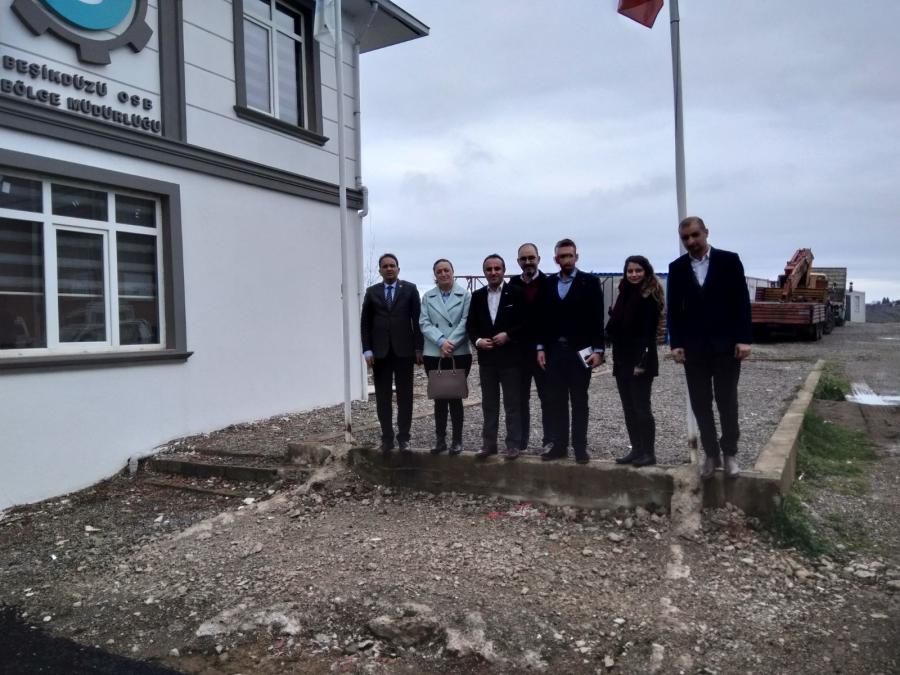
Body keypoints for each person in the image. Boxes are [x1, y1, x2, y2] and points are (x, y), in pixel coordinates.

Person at [667, 216, 752, 479]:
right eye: (685, 238)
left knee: (727, 401)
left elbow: (741, 301)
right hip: (694, 349)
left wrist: (744, 338)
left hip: (726, 346)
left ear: (706, 232)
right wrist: (676, 343)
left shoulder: (729, 261)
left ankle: (730, 454)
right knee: (701, 404)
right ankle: (711, 454)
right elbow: (674, 309)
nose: (691, 241)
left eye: (695, 235)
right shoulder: (677, 268)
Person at [536, 238, 605, 464]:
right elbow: (542, 319)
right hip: (555, 351)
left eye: (570, 256)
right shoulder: (548, 284)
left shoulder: (589, 282)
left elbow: (597, 318)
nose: (566, 260)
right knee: (556, 400)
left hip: (580, 351)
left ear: (576, 257)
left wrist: (599, 350)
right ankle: (560, 445)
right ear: (556, 259)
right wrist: (540, 348)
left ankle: (580, 447)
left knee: (579, 400)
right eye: (562, 256)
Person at [360, 253, 423, 453]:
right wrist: (367, 349)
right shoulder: (372, 292)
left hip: (404, 352)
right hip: (380, 354)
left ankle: (404, 438)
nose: (389, 269)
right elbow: (365, 323)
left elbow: (417, 321)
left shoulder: (410, 289)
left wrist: (419, 348)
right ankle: (387, 438)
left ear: (398, 269)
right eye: (385, 266)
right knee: (383, 397)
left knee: (405, 397)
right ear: (379, 270)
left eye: (392, 265)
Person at [606, 255, 664, 467]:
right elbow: (615, 326)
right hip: (622, 358)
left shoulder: (650, 297)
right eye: (630, 271)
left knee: (641, 408)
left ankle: (648, 452)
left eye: (638, 270)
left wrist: (641, 363)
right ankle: (636, 449)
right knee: (629, 408)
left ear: (646, 271)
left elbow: (647, 334)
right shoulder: (624, 294)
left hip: (640, 360)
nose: (634, 274)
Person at [467, 254, 526, 460]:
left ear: (503, 270)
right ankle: (489, 444)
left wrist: (508, 335)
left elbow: (525, 323)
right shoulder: (477, 296)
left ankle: (513, 445)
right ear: (484, 272)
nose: (493, 272)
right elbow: (471, 326)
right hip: (487, 360)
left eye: (497, 269)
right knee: (489, 404)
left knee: (512, 404)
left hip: (510, 360)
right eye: (489, 269)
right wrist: (477, 341)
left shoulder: (516, 293)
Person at [419, 259, 472, 455]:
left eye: (446, 270)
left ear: (453, 272)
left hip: (459, 353)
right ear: (435, 275)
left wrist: (450, 343)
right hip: (434, 353)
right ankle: (440, 439)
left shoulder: (465, 295)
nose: (443, 274)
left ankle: (457, 440)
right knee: (439, 397)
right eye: (439, 271)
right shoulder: (428, 297)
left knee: (455, 397)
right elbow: (424, 323)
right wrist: (441, 341)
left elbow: (466, 321)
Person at [507, 242, 554, 453]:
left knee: (547, 398)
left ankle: (549, 440)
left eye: (531, 258)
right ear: (518, 262)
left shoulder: (549, 284)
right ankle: (521, 440)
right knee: (519, 399)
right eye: (524, 259)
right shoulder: (512, 284)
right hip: (518, 353)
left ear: (538, 259)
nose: (528, 262)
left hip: (544, 352)